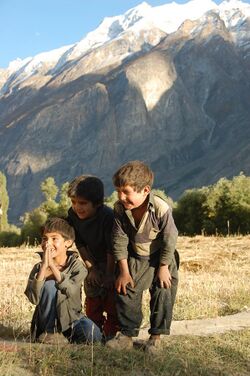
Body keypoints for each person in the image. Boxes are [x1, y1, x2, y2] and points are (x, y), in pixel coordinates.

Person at [106, 160, 179, 354]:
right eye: (118, 191)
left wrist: (164, 268)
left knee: (163, 291)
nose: (121, 197)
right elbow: (119, 239)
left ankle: (155, 337)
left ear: (145, 190)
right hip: (135, 256)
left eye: (126, 192)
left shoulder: (161, 209)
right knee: (125, 289)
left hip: (161, 256)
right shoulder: (120, 209)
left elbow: (170, 239)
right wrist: (123, 270)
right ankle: (126, 335)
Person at [25, 217, 102, 344]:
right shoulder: (38, 268)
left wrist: (53, 268)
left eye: (54, 238)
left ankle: (65, 338)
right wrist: (44, 266)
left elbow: (70, 291)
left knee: (94, 336)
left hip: (72, 319)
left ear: (68, 242)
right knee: (50, 285)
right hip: (48, 323)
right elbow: (33, 298)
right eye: (45, 239)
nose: (48, 244)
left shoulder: (77, 266)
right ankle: (50, 333)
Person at [67, 175, 119, 341]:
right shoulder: (72, 215)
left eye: (82, 203)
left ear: (97, 203)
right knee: (92, 297)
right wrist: (91, 269)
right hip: (92, 261)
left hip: (114, 261)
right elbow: (80, 244)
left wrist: (110, 274)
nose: (77, 207)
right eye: (74, 202)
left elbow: (112, 248)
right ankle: (94, 333)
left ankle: (111, 333)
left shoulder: (107, 216)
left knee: (112, 300)